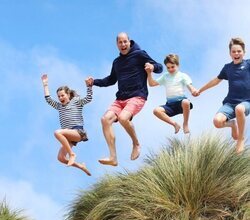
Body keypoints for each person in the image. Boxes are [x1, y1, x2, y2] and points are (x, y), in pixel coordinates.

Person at [85, 32, 163, 166]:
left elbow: (159, 67)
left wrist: (152, 67)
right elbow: (110, 80)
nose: (123, 44)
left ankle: (136, 143)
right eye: (120, 42)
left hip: (137, 95)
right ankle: (113, 158)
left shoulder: (139, 54)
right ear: (117, 45)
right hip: (120, 98)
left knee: (123, 118)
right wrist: (94, 82)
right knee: (105, 119)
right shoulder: (117, 62)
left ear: (129, 41)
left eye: (125, 41)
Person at [194, 37, 250, 153]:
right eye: (233, 51)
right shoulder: (227, 68)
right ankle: (233, 124)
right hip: (230, 103)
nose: (236, 53)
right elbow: (216, 80)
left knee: (240, 109)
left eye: (239, 51)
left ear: (244, 52)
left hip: (246, 101)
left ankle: (240, 139)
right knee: (217, 122)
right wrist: (201, 90)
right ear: (230, 53)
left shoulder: (248, 64)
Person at [41, 74, 92, 175]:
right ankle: (81, 166)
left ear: (68, 95)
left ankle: (72, 154)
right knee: (60, 158)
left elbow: (88, 99)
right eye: (59, 96)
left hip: (78, 132)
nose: (60, 98)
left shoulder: (76, 102)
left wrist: (89, 87)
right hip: (69, 136)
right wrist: (45, 85)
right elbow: (48, 99)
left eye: (62, 95)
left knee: (57, 133)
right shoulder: (59, 106)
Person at [146, 54, 197, 134]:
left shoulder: (183, 76)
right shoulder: (165, 76)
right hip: (170, 105)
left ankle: (185, 124)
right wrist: (149, 73)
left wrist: (193, 90)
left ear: (177, 65)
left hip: (181, 103)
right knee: (156, 111)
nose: (170, 69)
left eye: (172, 67)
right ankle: (175, 124)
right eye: (168, 67)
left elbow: (190, 86)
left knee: (186, 102)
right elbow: (151, 84)